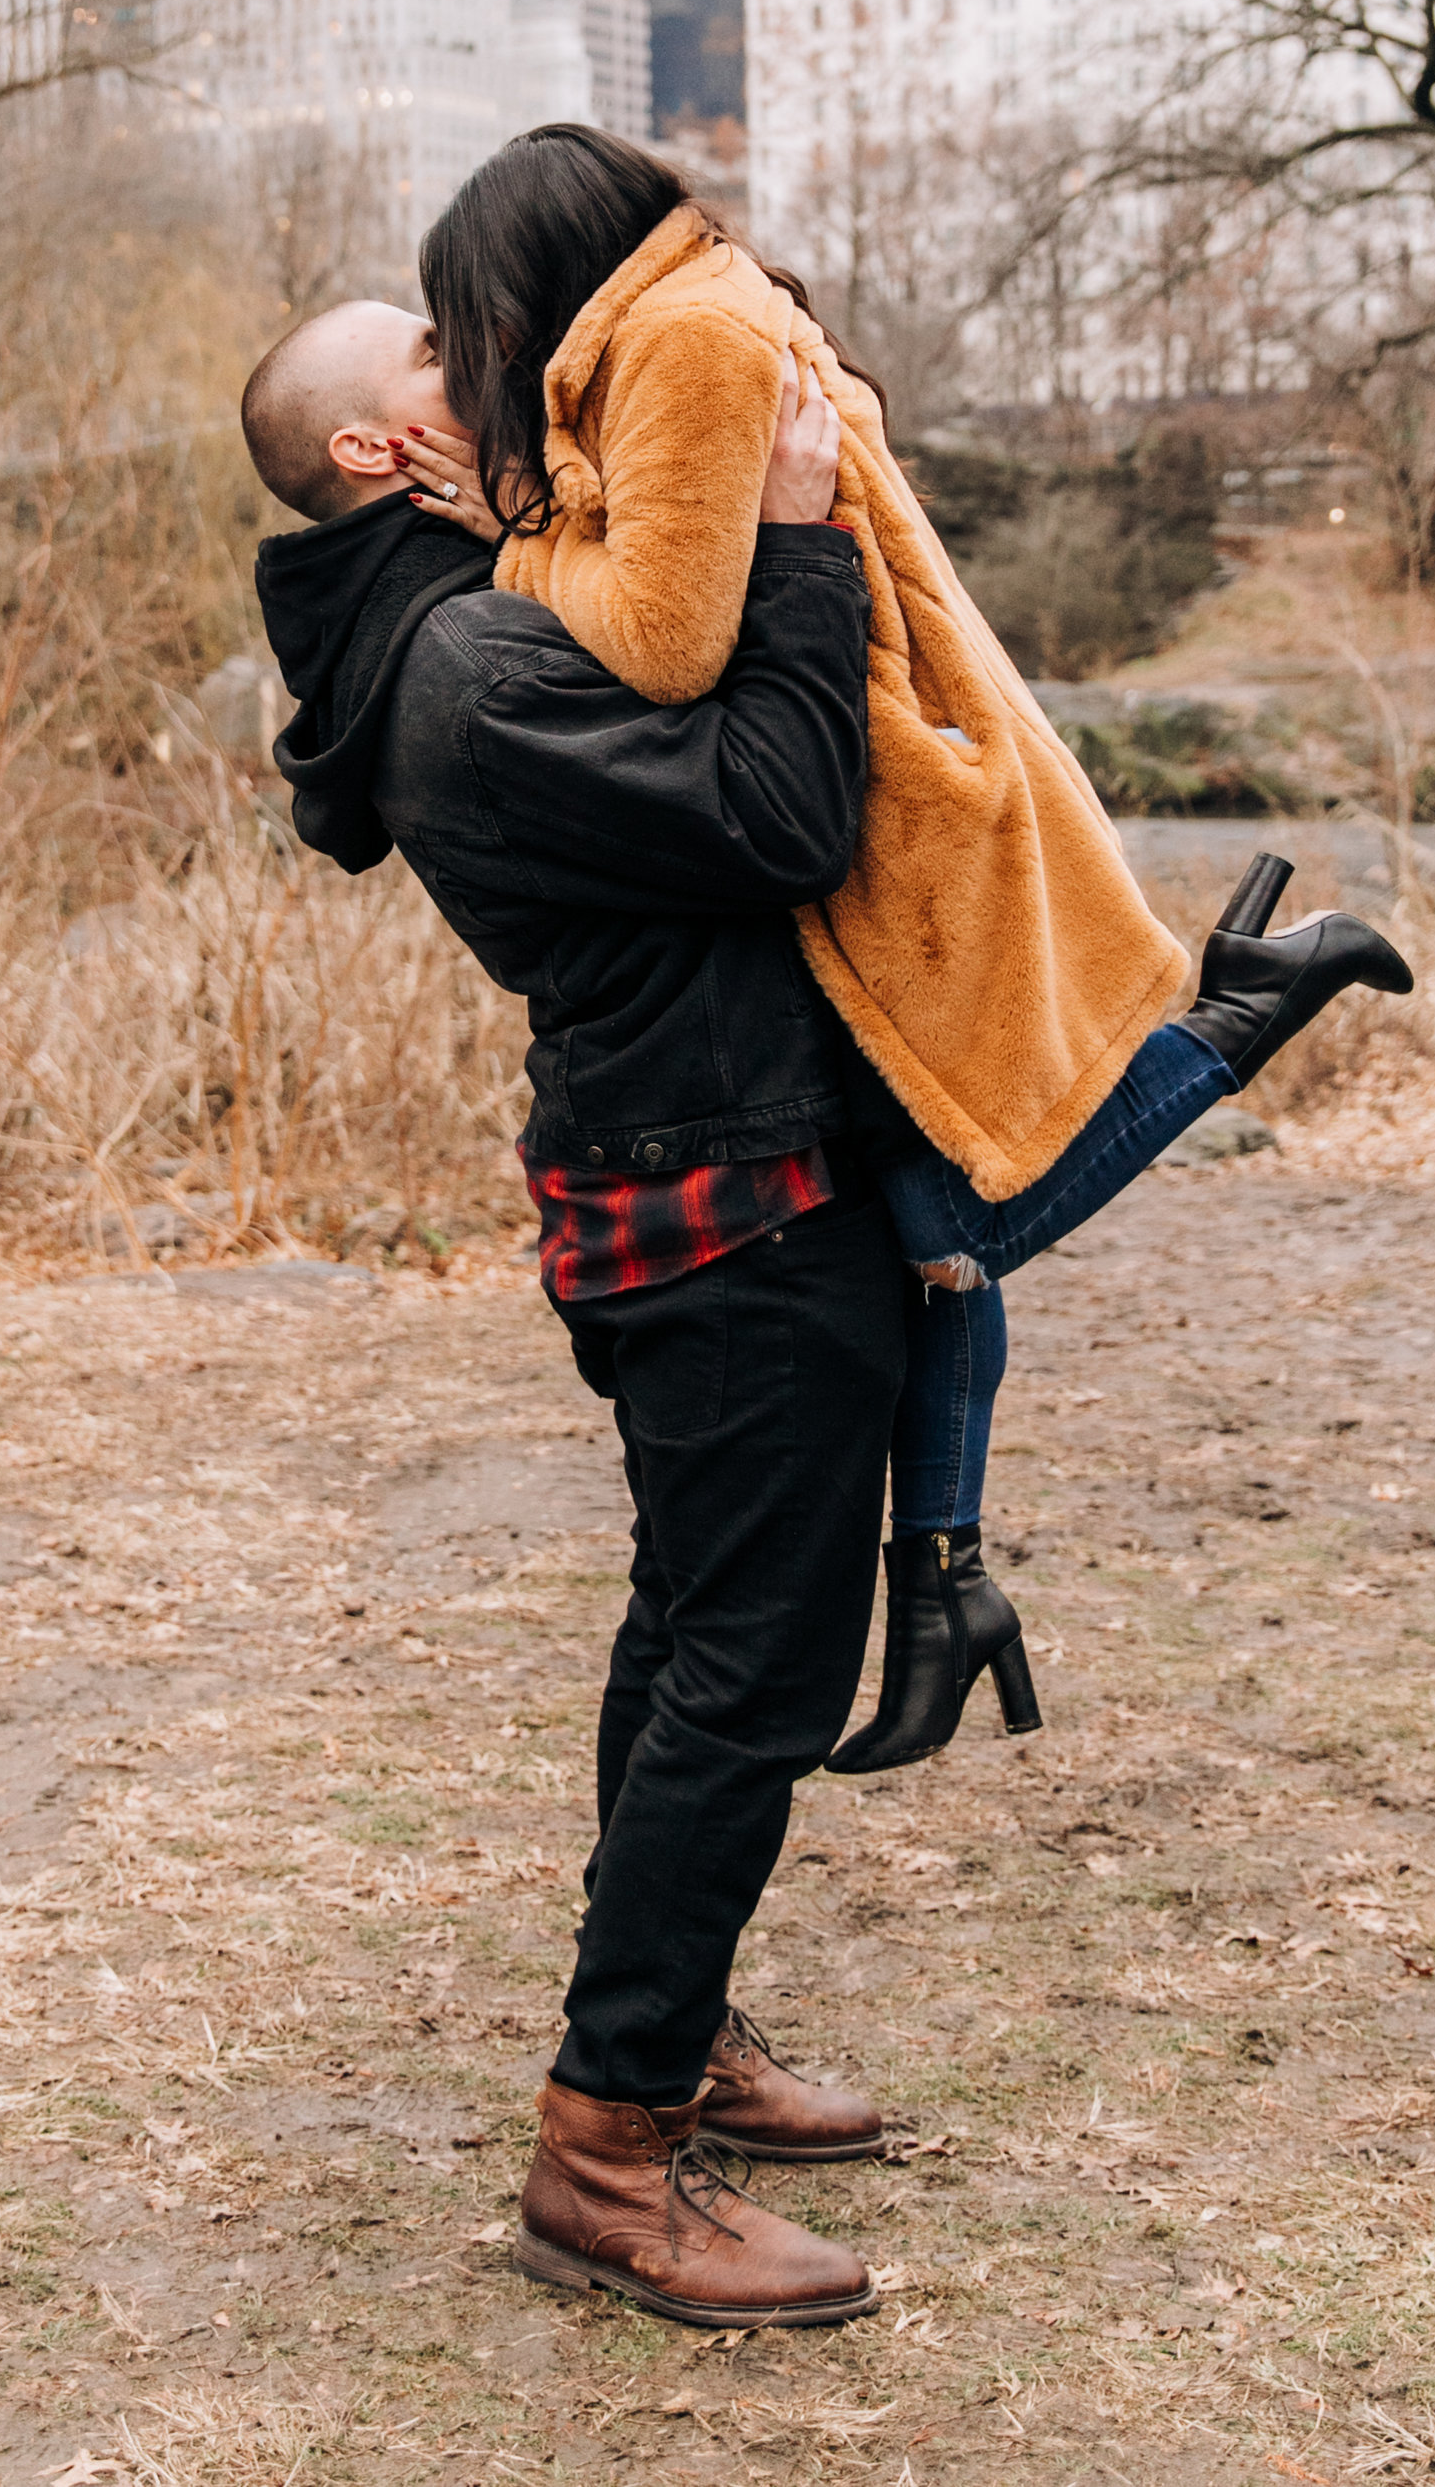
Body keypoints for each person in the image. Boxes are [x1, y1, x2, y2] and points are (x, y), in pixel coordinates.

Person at [399, 126, 1410, 1771]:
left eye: (479, 322)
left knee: (942, 1217)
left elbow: (660, 639)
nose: (485, 363)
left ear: (536, 282)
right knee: (926, 1222)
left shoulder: (686, 340)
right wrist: (527, 501)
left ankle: (1231, 1026)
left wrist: (499, 552)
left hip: (878, 819)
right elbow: (674, 558)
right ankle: (944, 1581)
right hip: (879, 795)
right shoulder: (680, 324)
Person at [246, 309, 909, 2328]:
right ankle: (604, 2155)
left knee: (695, 1620)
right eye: (440, 354)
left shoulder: (478, 602)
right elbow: (787, 812)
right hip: (713, 1185)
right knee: (758, 1665)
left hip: (699, 1155)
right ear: (376, 454)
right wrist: (792, 538)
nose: (499, 358)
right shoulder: (465, 662)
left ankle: (674, 2030)